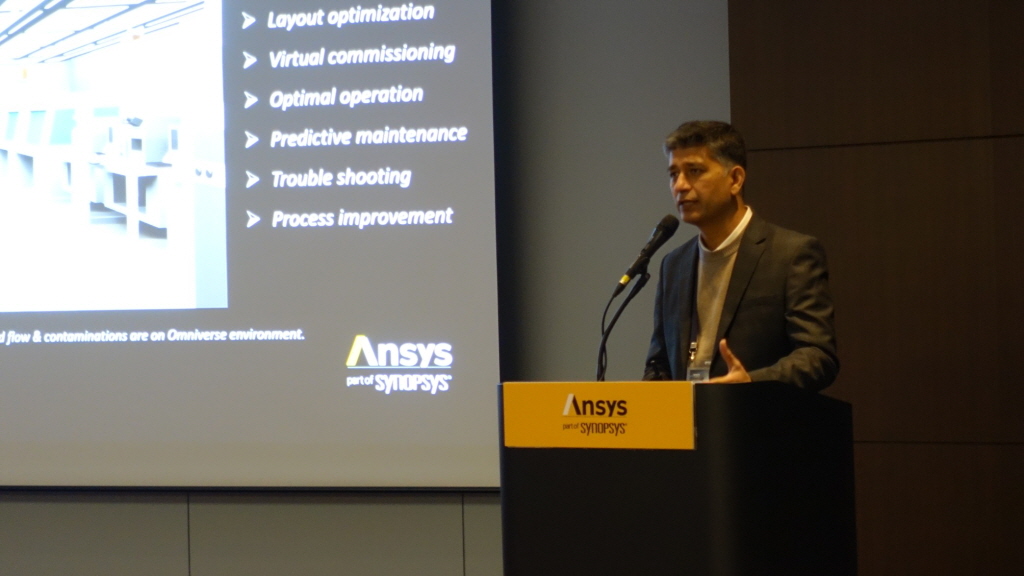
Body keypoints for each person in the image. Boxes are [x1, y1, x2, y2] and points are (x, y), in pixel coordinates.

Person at [643, 121, 838, 391]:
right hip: (688, 417)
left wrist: (750, 384)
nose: (680, 185)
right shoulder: (674, 265)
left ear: (735, 180)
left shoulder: (791, 254)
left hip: (755, 415)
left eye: (695, 171)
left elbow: (817, 356)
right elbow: (659, 364)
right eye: (674, 174)